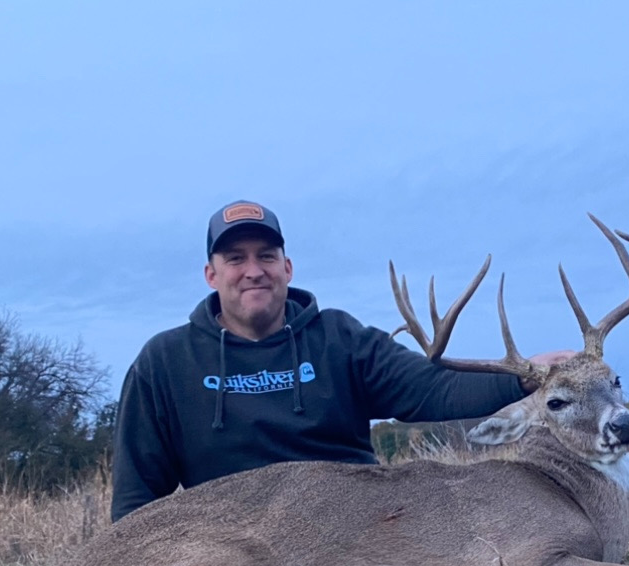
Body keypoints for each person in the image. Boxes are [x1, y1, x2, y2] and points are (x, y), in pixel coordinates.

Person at [110, 199, 569, 522]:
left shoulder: (339, 338)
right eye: (235, 258)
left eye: (266, 256)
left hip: (357, 526)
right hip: (237, 543)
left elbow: (432, 387)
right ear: (211, 274)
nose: (253, 270)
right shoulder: (165, 363)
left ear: (287, 268)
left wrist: (527, 376)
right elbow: (135, 499)